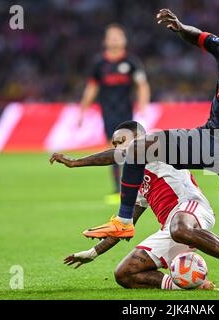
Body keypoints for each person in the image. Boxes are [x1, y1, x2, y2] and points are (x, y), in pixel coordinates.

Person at [52, 8, 219, 296]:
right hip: (209, 139)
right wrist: (180, 27)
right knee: (139, 148)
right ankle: (124, 221)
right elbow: (199, 37)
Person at [52, 121, 219, 292]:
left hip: (191, 208)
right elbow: (125, 226)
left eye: (121, 142)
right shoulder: (136, 181)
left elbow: (125, 154)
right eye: (115, 144)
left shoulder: (157, 146)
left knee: (179, 227)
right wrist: (93, 253)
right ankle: (190, 285)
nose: (118, 148)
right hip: (171, 228)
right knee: (125, 274)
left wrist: (75, 162)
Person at [78, 23, 151, 204]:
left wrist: (143, 106)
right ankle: (119, 189)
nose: (115, 40)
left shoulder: (131, 62)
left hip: (126, 114)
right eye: (111, 37)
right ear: (105, 41)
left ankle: (131, 188)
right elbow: (92, 87)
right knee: (114, 151)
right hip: (107, 113)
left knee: (126, 151)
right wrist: (83, 110)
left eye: (118, 36)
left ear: (124, 40)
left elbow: (142, 85)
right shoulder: (99, 63)